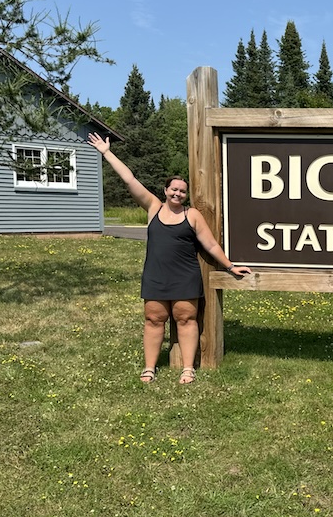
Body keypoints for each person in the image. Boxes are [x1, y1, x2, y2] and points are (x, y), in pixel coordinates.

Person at [87, 132, 251, 384]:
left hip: (185, 276)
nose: (177, 194)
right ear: (165, 190)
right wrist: (106, 153)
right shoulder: (153, 207)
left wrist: (230, 266)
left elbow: (209, 243)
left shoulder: (192, 215)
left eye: (182, 191)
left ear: (186, 195)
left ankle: (188, 368)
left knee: (186, 319)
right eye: (173, 189)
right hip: (156, 276)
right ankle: (149, 368)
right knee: (154, 320)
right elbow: (129, 179)